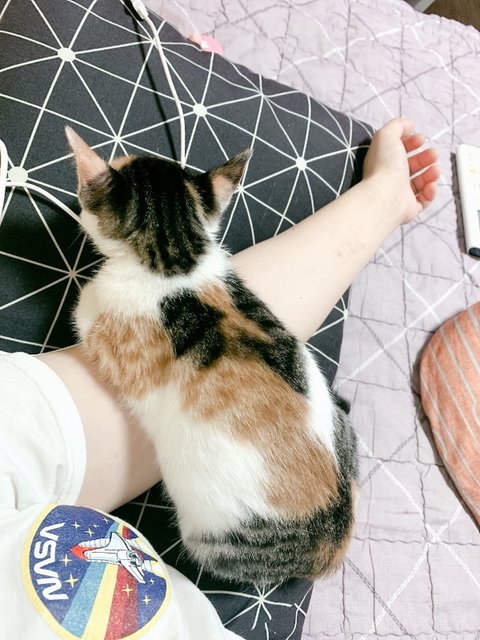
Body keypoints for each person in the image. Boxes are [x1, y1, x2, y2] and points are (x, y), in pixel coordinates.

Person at [0, 118, 439, 639]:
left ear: (89, 189)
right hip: (319, 485)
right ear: (213, 206)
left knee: (200, 523)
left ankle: (383, 198)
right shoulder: (213, 273)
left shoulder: (109, 311)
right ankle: (382, 200)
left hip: (257, 539)